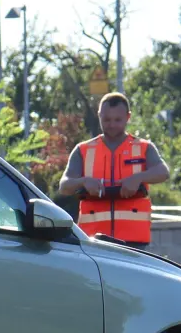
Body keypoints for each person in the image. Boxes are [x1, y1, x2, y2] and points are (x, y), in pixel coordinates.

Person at [57, 92, 171, 248]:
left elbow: (163, 172)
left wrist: (137, 178)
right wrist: (84, 181)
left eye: (117, 120)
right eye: (106, 119)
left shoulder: (143, 147)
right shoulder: (83, 150)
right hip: (92, 241)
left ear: (128, 117)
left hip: (134, 242)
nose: (111, 125)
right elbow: (64, 186)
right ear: (99, 116)